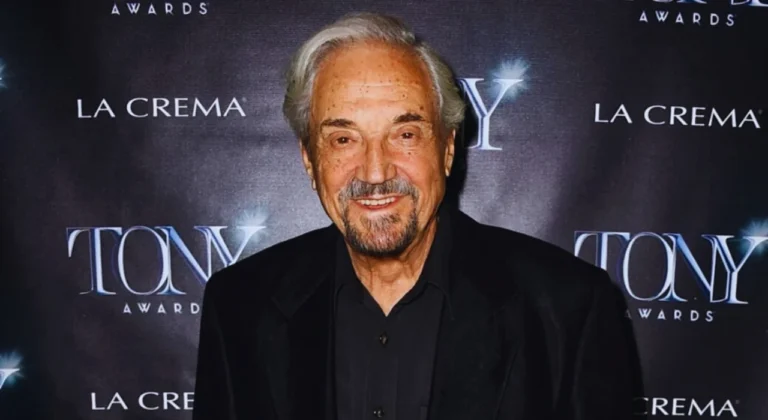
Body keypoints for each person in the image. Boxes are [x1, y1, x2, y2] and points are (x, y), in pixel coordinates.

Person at [192, 12, 642, 420]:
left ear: (447, 148)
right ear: (310, 160)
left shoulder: (568, 309)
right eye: (344, 139)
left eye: (405, 134)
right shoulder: (239, 307)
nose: (375, 172)